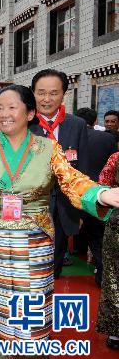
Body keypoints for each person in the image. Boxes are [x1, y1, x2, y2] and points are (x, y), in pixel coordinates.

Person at [0, 85, 119, 359]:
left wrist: (101, 195)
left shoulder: (48, 148)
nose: (3, 114)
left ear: (30, 113)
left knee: (29, 304)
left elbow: (72, 180)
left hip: (34, 244)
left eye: (11, 107)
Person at [29, 69, 89, 278]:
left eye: (53, 93)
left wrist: (81, 211)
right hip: (30, 207)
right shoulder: (22, 124)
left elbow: (83, 169)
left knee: (55, 260)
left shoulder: (77, 125)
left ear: (64, 94)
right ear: (33, 94)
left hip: (65, 206)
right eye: (41, 93)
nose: (47, 99)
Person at [74, 107, 117, 285]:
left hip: (80, 190)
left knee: (90, 233)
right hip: (105, 194)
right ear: (95, 121)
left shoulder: (73, 139)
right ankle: (103, 273)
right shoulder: (109, 138)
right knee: (99, 234)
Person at [96, 151, 119, 350]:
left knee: (114, 277)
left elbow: (103, 182)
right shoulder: (115, 158)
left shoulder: (116, 157)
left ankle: (115, 331)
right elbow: (102, 187)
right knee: (113, 276)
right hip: (117, 225)